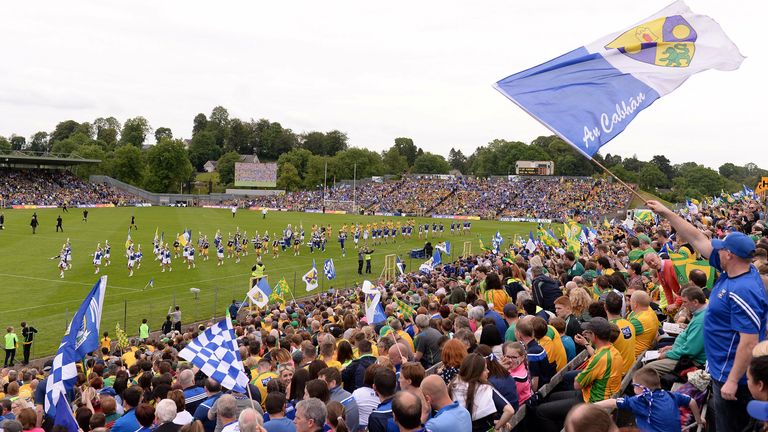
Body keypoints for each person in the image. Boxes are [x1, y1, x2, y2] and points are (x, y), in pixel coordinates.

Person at [648, 199, 768, 432]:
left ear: (729, 255)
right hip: (722, 369)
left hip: (735, 378)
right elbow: (697, 238)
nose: (715, 248)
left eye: (721, 247)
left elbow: (749, 342)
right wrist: (666, 212)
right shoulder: (736, 268)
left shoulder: (743, 289)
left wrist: (732, 380)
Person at [535, 317, 623, 432]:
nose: (586, 334)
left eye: (589, 333)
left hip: (593, 402)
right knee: (552, 396)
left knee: (541, 411)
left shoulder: (600, 359)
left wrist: (579, 377)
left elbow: (577, 384)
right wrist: (586, 343)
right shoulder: (612, 351)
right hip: (594, 394)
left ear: (595, 336)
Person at [594, 366, 704, 432]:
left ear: (640, 388)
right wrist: (698, 419)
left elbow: (613, 402)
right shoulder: (670, 394)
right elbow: (692, 401)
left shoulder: (641, 401)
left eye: (634, 386)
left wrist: (593, 406)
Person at [647, 285, 707, 375]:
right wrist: (672, 347)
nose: (683, 305)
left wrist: (668, 354)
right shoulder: (699, 314)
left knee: (648, 370)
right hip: (683, 354)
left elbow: (690, 351)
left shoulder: (700, 320)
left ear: (695, 302)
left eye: (685, 302)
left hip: (691, 360)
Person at [449, 353, 515, 432]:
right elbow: (510, 411)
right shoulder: (485, 389)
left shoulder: (453, 385)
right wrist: (497, 427)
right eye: (485, 369)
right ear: (477, 372)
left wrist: (495, 422)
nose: (488, 371)